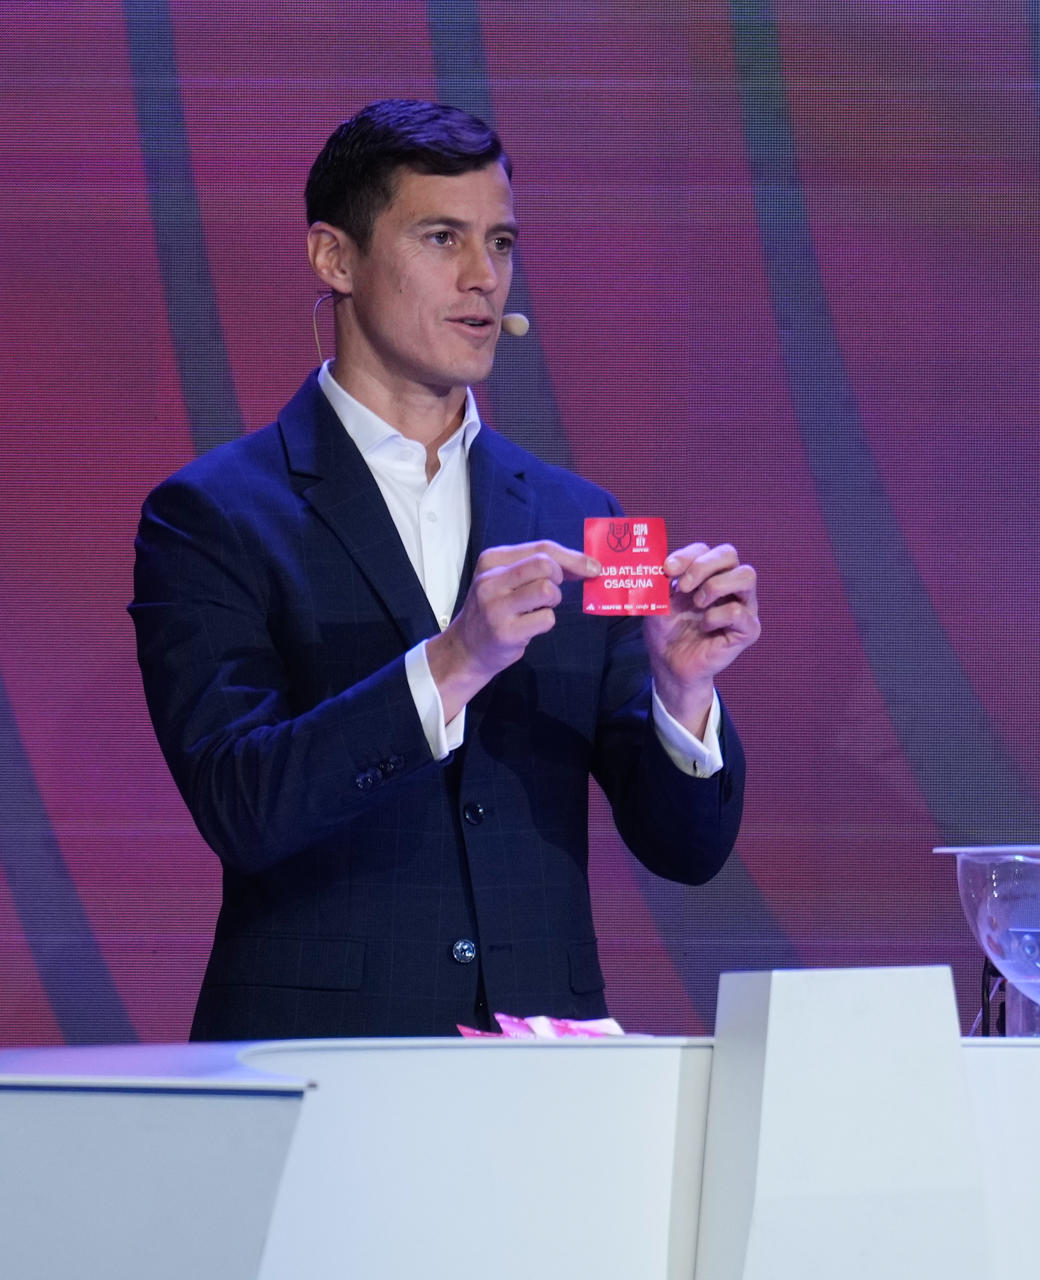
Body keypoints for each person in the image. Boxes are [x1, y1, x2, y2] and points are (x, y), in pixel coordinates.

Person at [130, 100, 760, 1040]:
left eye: (500, 241)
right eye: (441, 237)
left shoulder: (574, 516)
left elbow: (687, 850)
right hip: (321, 1066)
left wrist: (682, 690)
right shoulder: (214, 514)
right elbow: (243, 805)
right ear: (334, 259)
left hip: (544, 1074)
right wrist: (456, 658)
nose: (484, 278)